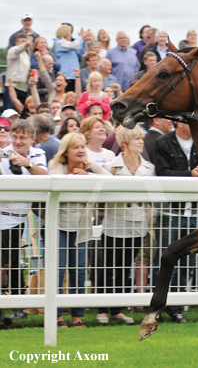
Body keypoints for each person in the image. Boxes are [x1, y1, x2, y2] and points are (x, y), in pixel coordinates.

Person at [49, 133, 110, 328]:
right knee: (58, 270)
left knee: (79, 271)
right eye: (76, 147)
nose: (81, 150)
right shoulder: (55, 165)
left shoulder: (89, 165)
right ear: (66, 152)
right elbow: (56, 182)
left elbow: (110, 179)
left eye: (82, 146)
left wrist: (89, 175)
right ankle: (56, 317)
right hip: (57, 223)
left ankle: (77, 316)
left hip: (82, 224)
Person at [96, 126, 155, 325]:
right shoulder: (111, 166)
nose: (141, 142)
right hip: (115, 221)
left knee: (124, 267)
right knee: (108, 266)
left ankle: (117, 309)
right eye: (136, 139)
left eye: (142, 138)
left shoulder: (149, 168)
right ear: (124, 144)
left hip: (138, 222)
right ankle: (102, 309)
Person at [152, 121, 198, 323]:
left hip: (195, 212)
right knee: (164, 259)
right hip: (170, 212)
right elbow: (162, 173)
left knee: (188, 259)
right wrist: (190, 175)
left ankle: (176, 307)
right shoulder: (163, 142)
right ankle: (159, 305)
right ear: (180, 122)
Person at [0, 120, 48, 323]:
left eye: (23, 137)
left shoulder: (38, 154)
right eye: (15, 136)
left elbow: (46, 176)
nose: (18, 141)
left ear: (32, 138)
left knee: (6, 264)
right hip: (3, 216)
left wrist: (26, 164)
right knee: (3, 265)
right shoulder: (3, 153)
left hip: (18, 219)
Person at [53, 25, 89, 92]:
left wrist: (84, 40)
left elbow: (81, 51)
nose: (71, 36)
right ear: (65, 34)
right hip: (65, 76)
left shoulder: (70, 44)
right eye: (70, 33)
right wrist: (80, 37)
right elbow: (73, 45)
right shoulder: (59, 42)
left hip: (74, 75)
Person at [6, 33, 33, 104]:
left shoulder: (26, 55)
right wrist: (25, 45)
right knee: (10, 111)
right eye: (22, 41)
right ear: (16, 42)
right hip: (13, 85)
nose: (24, 43)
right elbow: (17, 50)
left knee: (23, 111)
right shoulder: (12, 50)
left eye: (25, 41)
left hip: (23, 87)